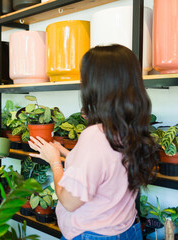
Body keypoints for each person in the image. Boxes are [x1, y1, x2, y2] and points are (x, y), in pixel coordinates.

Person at [28, 44, 159, 240]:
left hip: (94, 235)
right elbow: (107, 168)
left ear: (98, 85)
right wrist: (64, 151)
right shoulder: (129, 128)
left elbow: (69, 201)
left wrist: (55, 161)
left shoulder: (95, 135)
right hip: (128, 229)